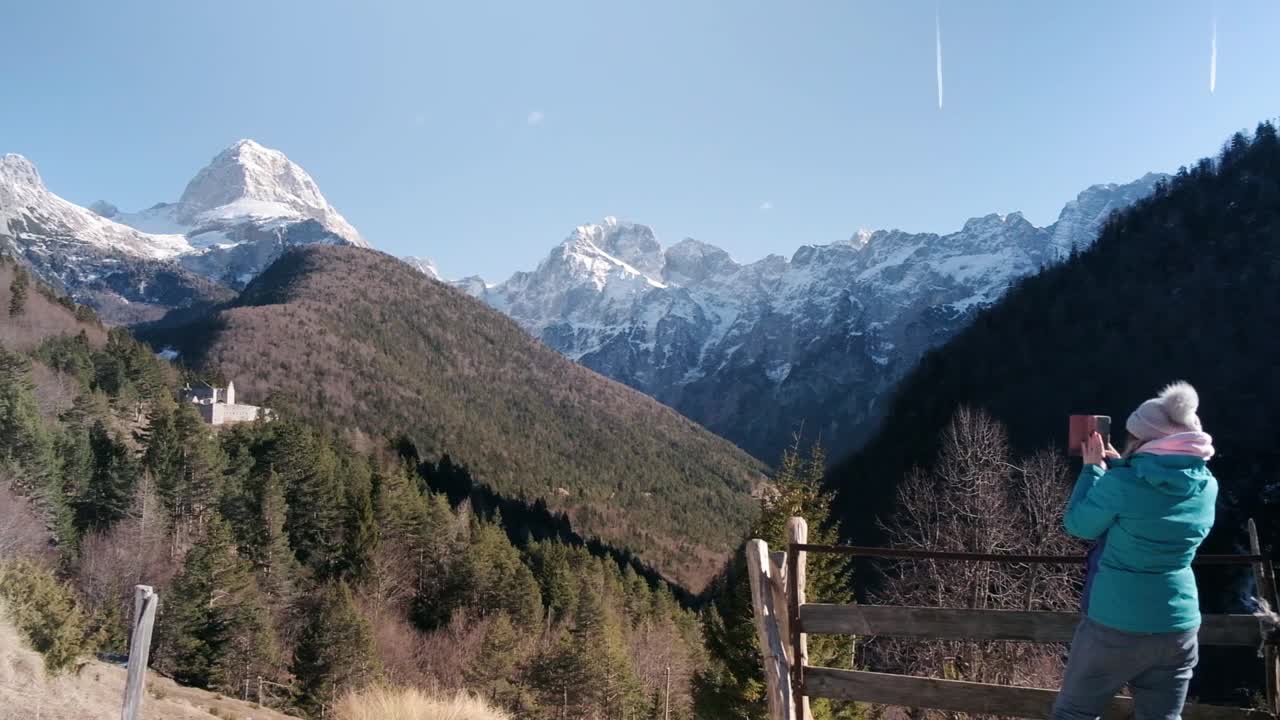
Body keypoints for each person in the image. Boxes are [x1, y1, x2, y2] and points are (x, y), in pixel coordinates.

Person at [1052, 381, 1217, 720]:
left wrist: (1092, 469)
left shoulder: (1121, 484)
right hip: (1178, 628)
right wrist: (1122, 468)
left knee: (1075, 712)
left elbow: (1079, 525)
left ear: (1146, 440)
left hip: (1114, 623)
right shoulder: (1207, 485)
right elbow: (1155, 498)